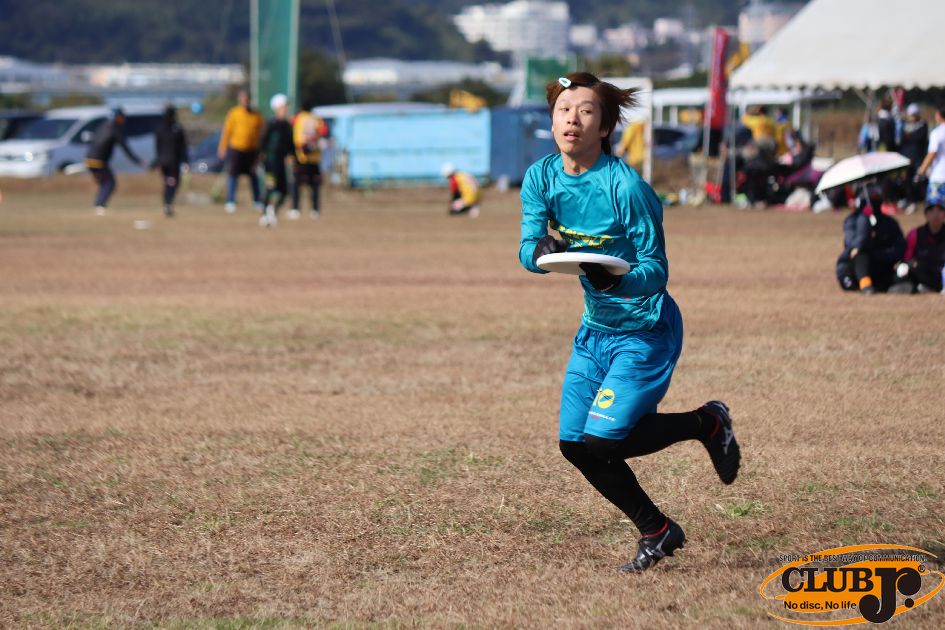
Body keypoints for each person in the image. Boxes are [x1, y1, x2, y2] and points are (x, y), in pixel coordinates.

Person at [518, 72, 741, 574]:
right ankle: (657, 530)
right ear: (551, 121)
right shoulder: (540, 177)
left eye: (586, 111)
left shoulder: (627, 188)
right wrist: (541, 251)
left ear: (605, 127)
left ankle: (707, 422)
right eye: (563, 110)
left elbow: (656, 270)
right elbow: (527, 250)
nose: (572, 120)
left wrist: (616, 282)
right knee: (574, 445)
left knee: (604, 441)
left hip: (646, 330)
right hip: (594, 332)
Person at [835, 183, 906, 294]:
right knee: (861, 253)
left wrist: (879, 254)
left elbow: (899, 248)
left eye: (877, 196)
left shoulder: (890, 222)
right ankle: (865, 284)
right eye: (870, 196)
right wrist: (865, 221)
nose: (874, 200)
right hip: (855, 268)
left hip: (882, 265)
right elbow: (853, 246)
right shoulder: (852, 220)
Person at [84, 107, 143, 214]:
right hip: (99, 160)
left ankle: (98, 204)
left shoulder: (104, 125)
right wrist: (137, 161)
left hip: (89, 158)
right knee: (110, 183)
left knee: (104, 181)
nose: (124, 119)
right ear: (118, 117)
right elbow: (125, 148)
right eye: (122, 117)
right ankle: (99, 205)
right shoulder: (115, 129)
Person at [217, 88, 264, 214]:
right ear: (239, 100)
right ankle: (230, 201)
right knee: (233, 175)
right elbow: (227, 132)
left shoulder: (256, 115)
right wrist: (222, 147)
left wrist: (261, 150)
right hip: (236, 149)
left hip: (251, 150)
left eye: (247, 99)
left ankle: (257, 200)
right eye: (243, 99)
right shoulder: (234, 113)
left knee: (253, 175)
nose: (245, 101)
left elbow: (261, 133)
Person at [258, 94, 294, 227]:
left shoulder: (287, 125)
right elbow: (262, 143)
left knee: (284, 191)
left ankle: (273, 210)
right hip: (270, 163)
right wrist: (260, 158)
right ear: (277, 108)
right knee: (270, 187)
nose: (286, 109)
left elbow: (290, 144)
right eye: (284, 107)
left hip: (281, 163)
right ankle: (264, 214)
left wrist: (291, 156)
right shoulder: (270, 124)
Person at [290, 100, 328, 219]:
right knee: (314, 186)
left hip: (300, 157)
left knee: (296, 185)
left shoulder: (297, 118)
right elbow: (325, 131)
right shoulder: (317, 119)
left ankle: (295, 209)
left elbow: (290, 128)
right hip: (314, 158)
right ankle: (315, 210)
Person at [899, 202, 945, 293]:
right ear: (926, 214)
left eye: (940, 210)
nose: (936, 214)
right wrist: (910, 263)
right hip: (922, 274)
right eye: (931, 210)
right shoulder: (915, 234)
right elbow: (907, 259)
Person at [154, 104, 189, 217]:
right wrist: (185, 161)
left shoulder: (161, 128)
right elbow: (183, 147)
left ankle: (167, 203)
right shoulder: (177, 129)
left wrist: (158, 161)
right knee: (172, 182)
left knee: (169, 182)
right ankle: (168, 203)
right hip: (172, 162)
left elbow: (157, 147)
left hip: (164, 161)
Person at [898, 104, 929, 209]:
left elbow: (919, 139)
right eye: (911, 115)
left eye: (914, 115)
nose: (912, 117)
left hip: (918, 157)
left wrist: (910, 136)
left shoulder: (923, 125)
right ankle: (909, 199)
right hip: (906, 157)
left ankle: (924, 199)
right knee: (906, 179)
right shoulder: (904, 125)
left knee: (919, 179)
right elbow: (902, 140)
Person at [916, 106, 945, 207]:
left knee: (935, 210)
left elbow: (932, 154)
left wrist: (921, 171)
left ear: (939, 115)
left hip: (939, 177)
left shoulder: (937, 133)